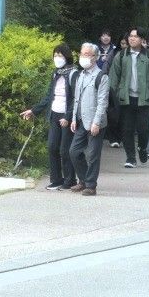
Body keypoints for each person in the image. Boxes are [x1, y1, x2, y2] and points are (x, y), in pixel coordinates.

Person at [20, 44, 78, 190]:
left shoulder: (73, 74)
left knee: (65, 150)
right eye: (55, 55)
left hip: (67, 116)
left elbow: (76, 99)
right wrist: (33, 110)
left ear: (67, 56)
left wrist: (68, 116)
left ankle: (70, 180)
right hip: (54, 114)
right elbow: (48, 96)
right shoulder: (55, 73)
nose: (57, 58)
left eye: (60, 55)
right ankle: (56, 179)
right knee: (52, 147)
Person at [109, 28, 149, 167]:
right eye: (130, 36)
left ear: (142, 39)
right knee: (127, 129)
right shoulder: (121, 56)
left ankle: (142, 148)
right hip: (126, 98)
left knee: (144, 129)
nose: (132, 39)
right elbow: (113, 78)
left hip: (144, 99)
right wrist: (111, 98)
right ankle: (130, 158)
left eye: (136, 36)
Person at [69, 42, 110, 196]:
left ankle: (91, 185)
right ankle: (83, 179)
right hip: (81, 120)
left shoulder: (101, 76)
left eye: (86, 54)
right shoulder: (80, 75)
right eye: (81, 54)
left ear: (94, 57)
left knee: (92, 154)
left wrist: (96, 122)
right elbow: (76, 99)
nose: (82, 57)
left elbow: (102, 102)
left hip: (95, 122)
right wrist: (73, 118)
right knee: (74, 152)